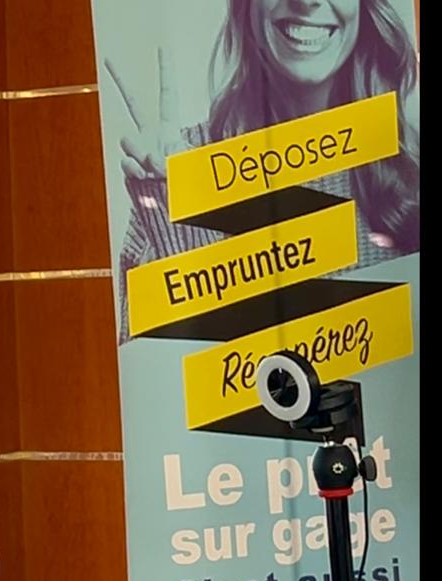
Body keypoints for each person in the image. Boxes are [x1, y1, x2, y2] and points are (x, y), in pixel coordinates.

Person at [108, 0, 420, 341]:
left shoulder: (411, 162)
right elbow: (154, 367)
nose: (307, 1)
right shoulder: (172, 167)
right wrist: (186, 241)